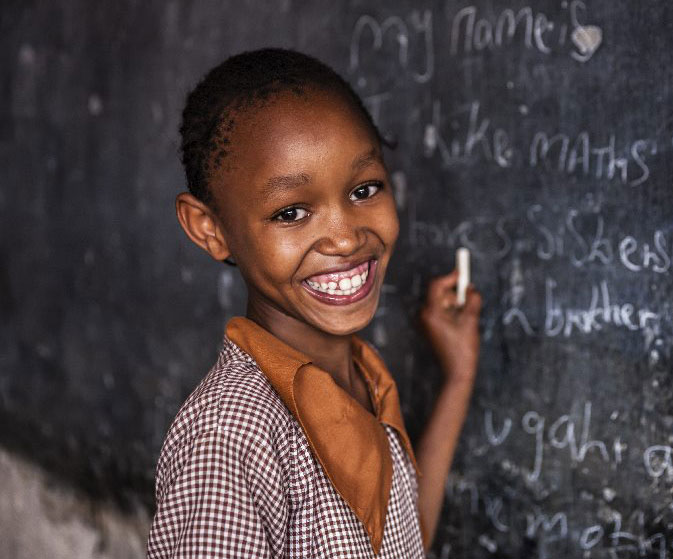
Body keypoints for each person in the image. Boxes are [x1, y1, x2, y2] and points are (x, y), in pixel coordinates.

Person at [146, 48, 483, 558]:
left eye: (365, 188)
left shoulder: (363, 377)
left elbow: (404, 539)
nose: (345, 238)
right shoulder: (230, 440)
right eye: (291, 212)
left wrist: (457, 377)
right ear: (210, 229)